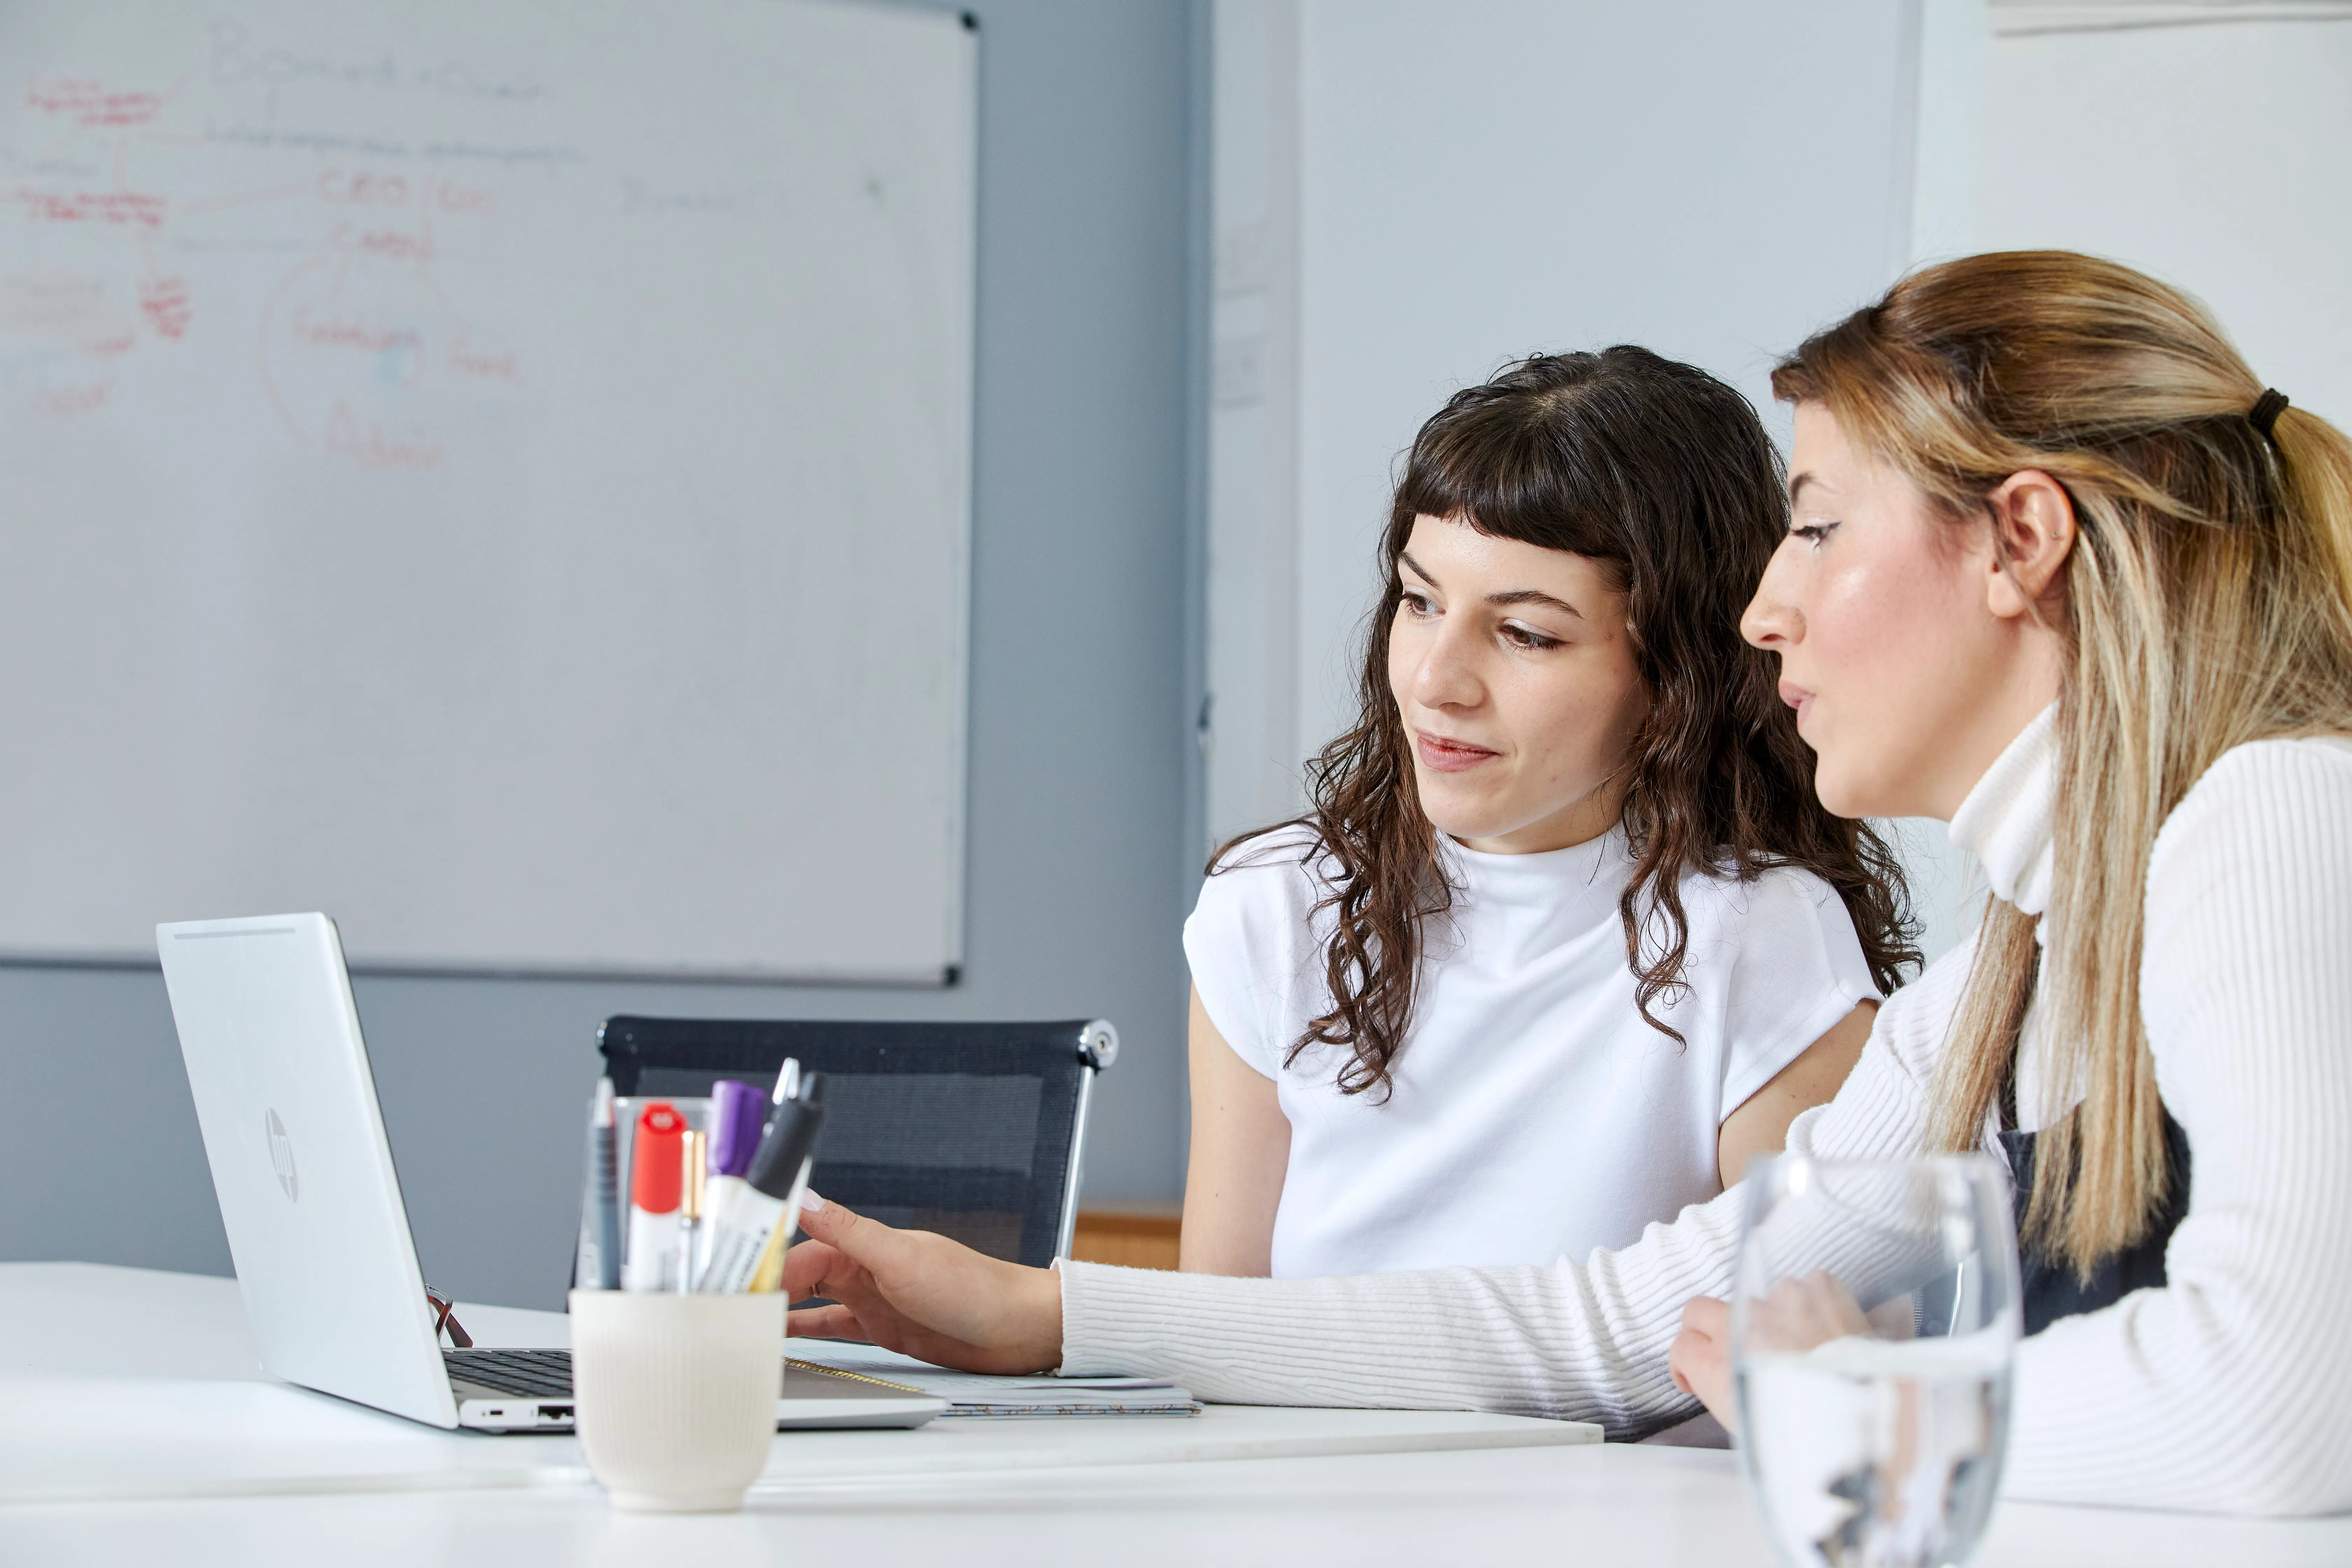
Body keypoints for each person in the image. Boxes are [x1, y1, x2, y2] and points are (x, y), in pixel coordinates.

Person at [781, 252, 2352, 1514]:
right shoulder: (2014, 963)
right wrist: (1048, 1316)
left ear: (2020, 542)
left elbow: (2277, 1399)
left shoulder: (2273, 812)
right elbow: (1605, 1328)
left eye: (1814, 532)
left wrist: (1855, 1409)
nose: (1767, 613)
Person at [1182, 348, 1912, 1281]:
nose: (1437, 682)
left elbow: (1809, 1361)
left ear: (1677, 675)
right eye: (1418, 601)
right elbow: (1214, 1338)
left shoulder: (1763, 939)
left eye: (1525, 633)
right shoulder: (1277, 904)